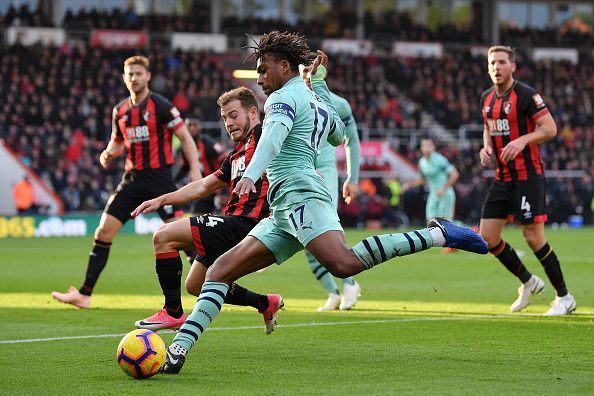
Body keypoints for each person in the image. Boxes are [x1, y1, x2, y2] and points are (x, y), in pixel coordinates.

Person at [162, 31, 487, 374]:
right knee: (219, 271)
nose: (259, 77)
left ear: (283, 66)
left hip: (301, 194)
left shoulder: (279, 100)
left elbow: (271, 141)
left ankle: (439, 234)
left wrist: (250, 173)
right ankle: (179, 349)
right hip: (282, 206)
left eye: (263, 68)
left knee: (344, 264)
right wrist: (318, 85)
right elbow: (336, 134)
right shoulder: (312, 97)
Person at [51, 55, 201, 309]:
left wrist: (195, 170)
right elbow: (118, 142)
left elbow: (185, 137)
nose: (134, 78)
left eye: (139, 73)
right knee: (103, 231)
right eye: (130, 74)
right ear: (124, 78)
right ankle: (84, 294)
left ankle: (215, 282)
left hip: (160, 180)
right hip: (132, 180)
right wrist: (108, 153)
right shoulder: (119, 111)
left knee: (182, 237)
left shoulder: (162, 106)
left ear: (148, 76)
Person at [131, 86, 283, 333]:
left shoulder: (266, 137)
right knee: (196, 284)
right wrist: (162, 200)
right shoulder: (235, 155)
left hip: (249, 225)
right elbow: (203, 186)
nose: (228, 123)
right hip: (232, 223)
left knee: (163, 236)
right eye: (224, 118)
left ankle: (172, 312)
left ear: (253, 112)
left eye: (234, 115)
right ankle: (265, 303)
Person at [478, 46, 576, 316]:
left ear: (513, 66)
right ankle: (529, 282)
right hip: (503, 177)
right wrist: (486, 148)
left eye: (501, 62)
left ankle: (565, 297)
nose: (496, 67)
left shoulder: (526, 95)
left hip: (528, 176)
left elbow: (550, 128)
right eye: (492, 63)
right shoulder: (486, 98)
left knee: (533, 238)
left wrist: (522, 140)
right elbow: (488, 128)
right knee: (486, 239)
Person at [299, 58, 362, 311]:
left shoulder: (338, 104)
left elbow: (352, 141)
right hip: (299, 172)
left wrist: (352, 178)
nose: (307, 75)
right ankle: (333, 292)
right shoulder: (292, 101)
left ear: (321, 72)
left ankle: (349, 283)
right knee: (304, 236)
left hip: (324, 172)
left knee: (323, 233)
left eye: (311, 70)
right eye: (304, 70)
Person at [402, 137, 460, 252]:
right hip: (434, 193)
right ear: (421, 148)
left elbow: (454, 174)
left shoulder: (440, 160)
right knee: (430, 221)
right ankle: (455, 237)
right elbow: (422, 179)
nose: (426, 148)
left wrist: (444, 188)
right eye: (424, 146)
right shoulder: (422, 162)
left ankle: (456, 242)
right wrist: (409, 184)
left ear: (433, 147)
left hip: (445, 192)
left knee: (446, 221)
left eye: (429, 145)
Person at [175, 116, 225, 215]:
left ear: (200, 127)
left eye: (195, 125)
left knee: (224, 217)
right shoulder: (183, 148)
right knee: (196, 216)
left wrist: (224, 190)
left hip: (217, 186)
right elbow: (186, 166)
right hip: (202, 188)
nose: (192, 128)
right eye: (189, 125)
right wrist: (174, 181)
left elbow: (225, 159)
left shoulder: (209, 144)